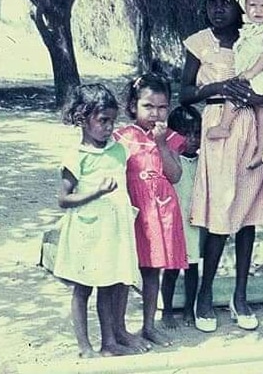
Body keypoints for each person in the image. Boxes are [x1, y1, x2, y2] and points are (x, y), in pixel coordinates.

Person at [180, 0, 263, 333]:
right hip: (218, 126)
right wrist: (218, 87)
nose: (218, 9)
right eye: (212, 2)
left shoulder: (255, 36)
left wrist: (261, 99)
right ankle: (204, 295)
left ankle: (240, 295)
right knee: (218, 212)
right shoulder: (200, 43)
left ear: (241, 6)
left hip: (253, 126)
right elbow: (184, 93)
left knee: (247, 213)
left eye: (225, 3)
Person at [53, 83, 140, 357]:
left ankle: (109, 342)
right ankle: (84, 346)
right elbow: (63, 199)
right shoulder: (76, 156)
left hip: (113, 231)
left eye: (112, 121)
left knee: (110, 284)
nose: (108, 127)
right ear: (82, 118)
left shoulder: (118, 150)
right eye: (102, 120)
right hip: (88, 233)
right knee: (83, 288)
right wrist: (96, 192)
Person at [113, 73, 187, 346]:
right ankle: (120, 330)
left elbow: (175, 174)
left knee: (152, 269)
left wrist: (161, 144)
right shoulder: (120, 137)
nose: (156, 113)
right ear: (133, 106)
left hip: (161, 211)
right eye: (148, 106)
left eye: (162, 107)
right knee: (125, 268)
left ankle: (148, 326)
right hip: (133, 209)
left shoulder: (171, 138)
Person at [206, 0, 263, 170]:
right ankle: (262, 150)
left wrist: (250, 73)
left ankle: (224, 126)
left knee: (235, 93)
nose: (257, 10)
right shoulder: (251, 28)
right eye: (252, 5)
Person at [160, 105, 203, 329]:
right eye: (187, 133)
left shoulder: (202, 162)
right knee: (171, 269)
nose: (193, 139)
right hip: (174, 224)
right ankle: (167, 310)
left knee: (193, 267)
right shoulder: (170, 161)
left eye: (197, 133)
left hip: (193, 223)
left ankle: (189, 310)